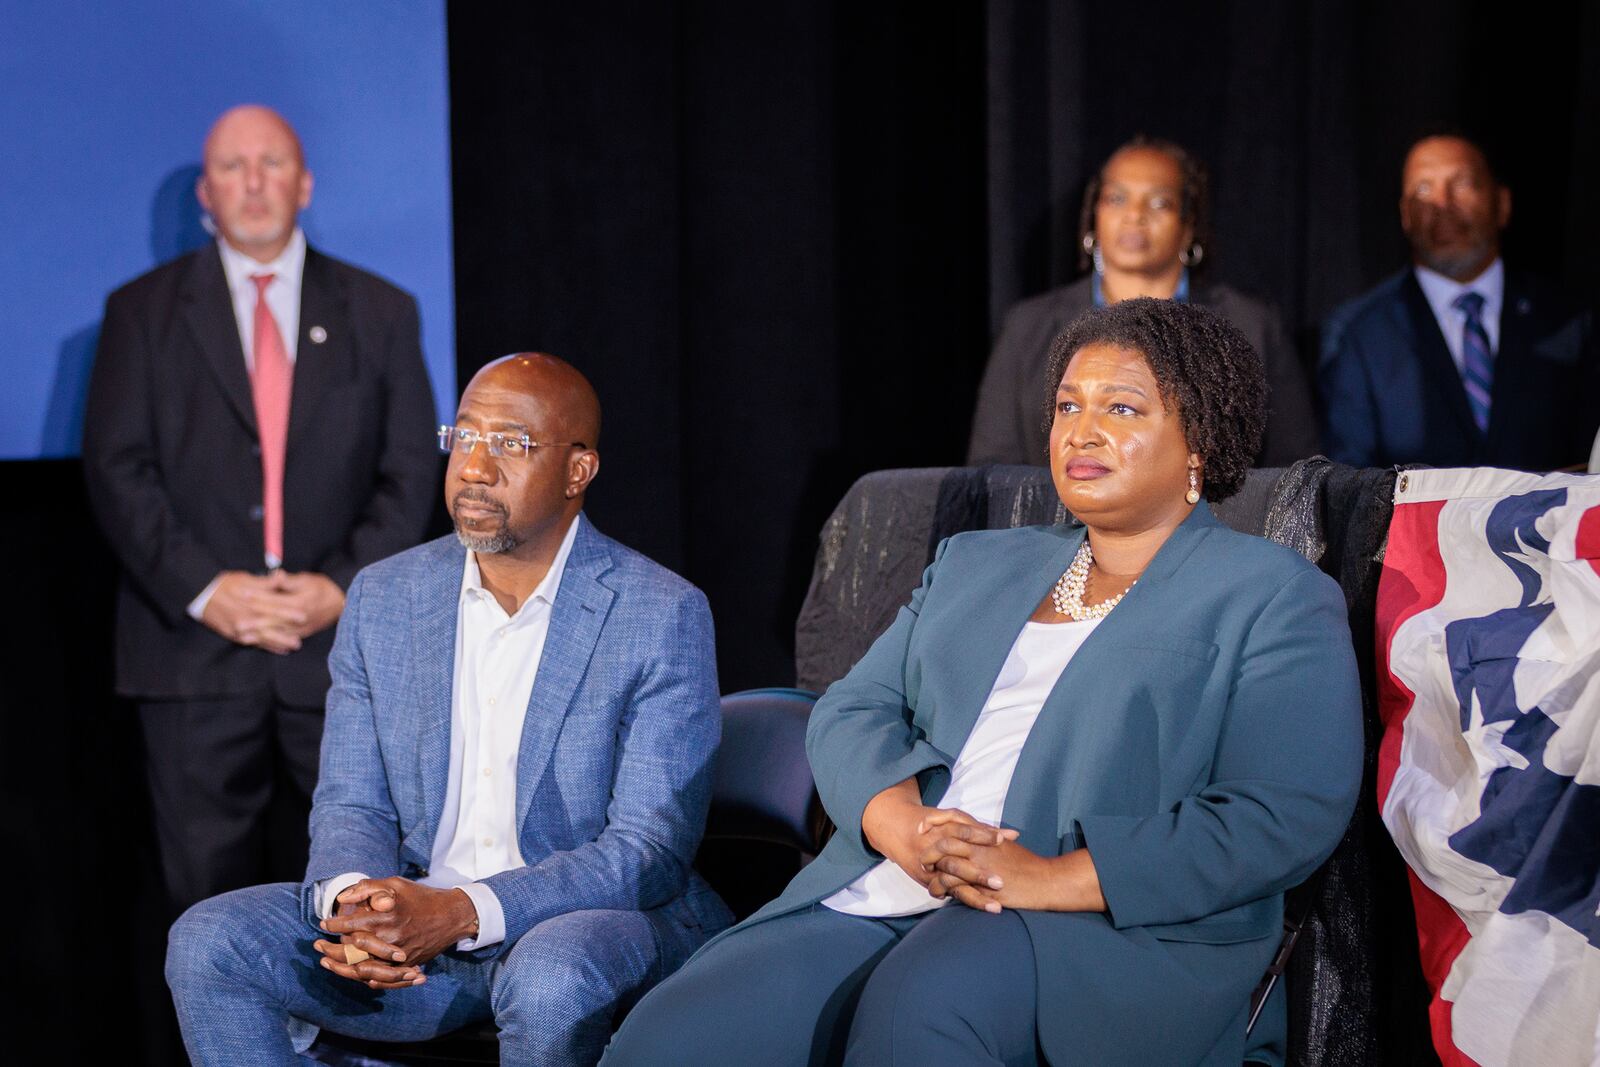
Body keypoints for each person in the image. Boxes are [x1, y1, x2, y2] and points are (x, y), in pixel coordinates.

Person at [606, 299, 1362, 1067]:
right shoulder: (976, 563)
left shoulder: (1272, 592)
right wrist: (897, 821)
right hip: (899, 884)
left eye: (1121, 407)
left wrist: (1049, 875)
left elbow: (1283, 812)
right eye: (1068, 404)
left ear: (1199, 439)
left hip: (1103, 928)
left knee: (920, 1011)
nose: (1082, 429)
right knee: (667, 1034)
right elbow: (853, 707)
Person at [164, 354, 734, 1065]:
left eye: (511, 444)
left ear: (578, 470)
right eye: (463, 436)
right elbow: (352, 804)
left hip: (589, 926)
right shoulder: (384, 597)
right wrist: (360, 910)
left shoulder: (660, 612)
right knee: (209, 940)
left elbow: (647, 853)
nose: (475, 467)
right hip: (421, 941)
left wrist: (460, 913)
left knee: (551, 975)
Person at [82, 105, 438, 919]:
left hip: (343, 659)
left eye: (271, 163)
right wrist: (212, 590)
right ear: (205, 194)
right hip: (193, 659)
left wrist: (341, 587)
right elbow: (117, 467)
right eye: (232, 168)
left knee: (368, 901)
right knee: (208, 915)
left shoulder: (382, 311)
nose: (253, 183)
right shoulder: (140, 312)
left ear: (304, 183)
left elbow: (411, 469)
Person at [967, 135, 1318, 469]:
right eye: (1117, 199)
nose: (1135, 215)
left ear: (1189, 225)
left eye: (1159, 202)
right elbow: (991, 474)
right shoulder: (1028, 327)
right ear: (1093, 216)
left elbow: (1295, 470)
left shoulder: (1250, 326)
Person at [1319, 132, 1598, 470]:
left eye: (1462, 183)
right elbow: (1348, 481)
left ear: (1502, 204)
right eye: (1423, 189)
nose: (1442, 204)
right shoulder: (1358, 333)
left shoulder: (1570, 319)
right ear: (1405, 216)